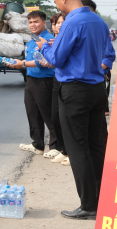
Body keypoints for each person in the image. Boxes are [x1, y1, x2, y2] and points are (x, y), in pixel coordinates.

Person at [38, 0, 111, 220]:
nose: (58, 7)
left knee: (77, 149)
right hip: (97, 89)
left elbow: (57, 58)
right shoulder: (98, 21)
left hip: (75, 91)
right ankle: (103, 198)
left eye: (56, 2)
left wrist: (45, 48)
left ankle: (88, 205)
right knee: (96, 145)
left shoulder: (72, 22)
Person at [5, 11, 58, 157]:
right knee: (32, 112)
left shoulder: (48, 40)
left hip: (44, 81)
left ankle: (56, 146)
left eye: (36, 22)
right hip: (31, 80)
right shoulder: (32, 40)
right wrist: (19, 63)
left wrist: (21, 64)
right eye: (30, 22)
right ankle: (38, 144)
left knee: (48, 114)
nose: (33, 25)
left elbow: (41, 63)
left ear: (43, 22)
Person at [80, 0, 116, 115]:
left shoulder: (101, 29)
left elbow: (109, 56)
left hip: (99, 76)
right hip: (82, 81)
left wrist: (98, 71)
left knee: (99, 116)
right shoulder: (77, 30)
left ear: (94, 13)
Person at [49, 13, 69, 166]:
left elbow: (57, 59)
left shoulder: (68, 39)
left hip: (70, 82)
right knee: (56, 117)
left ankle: (70, 152)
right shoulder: (54, 41)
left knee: (68, 120)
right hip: (57, 79)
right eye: (57, 22)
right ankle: (63, 149)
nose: (59, 25)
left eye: (63, 22)